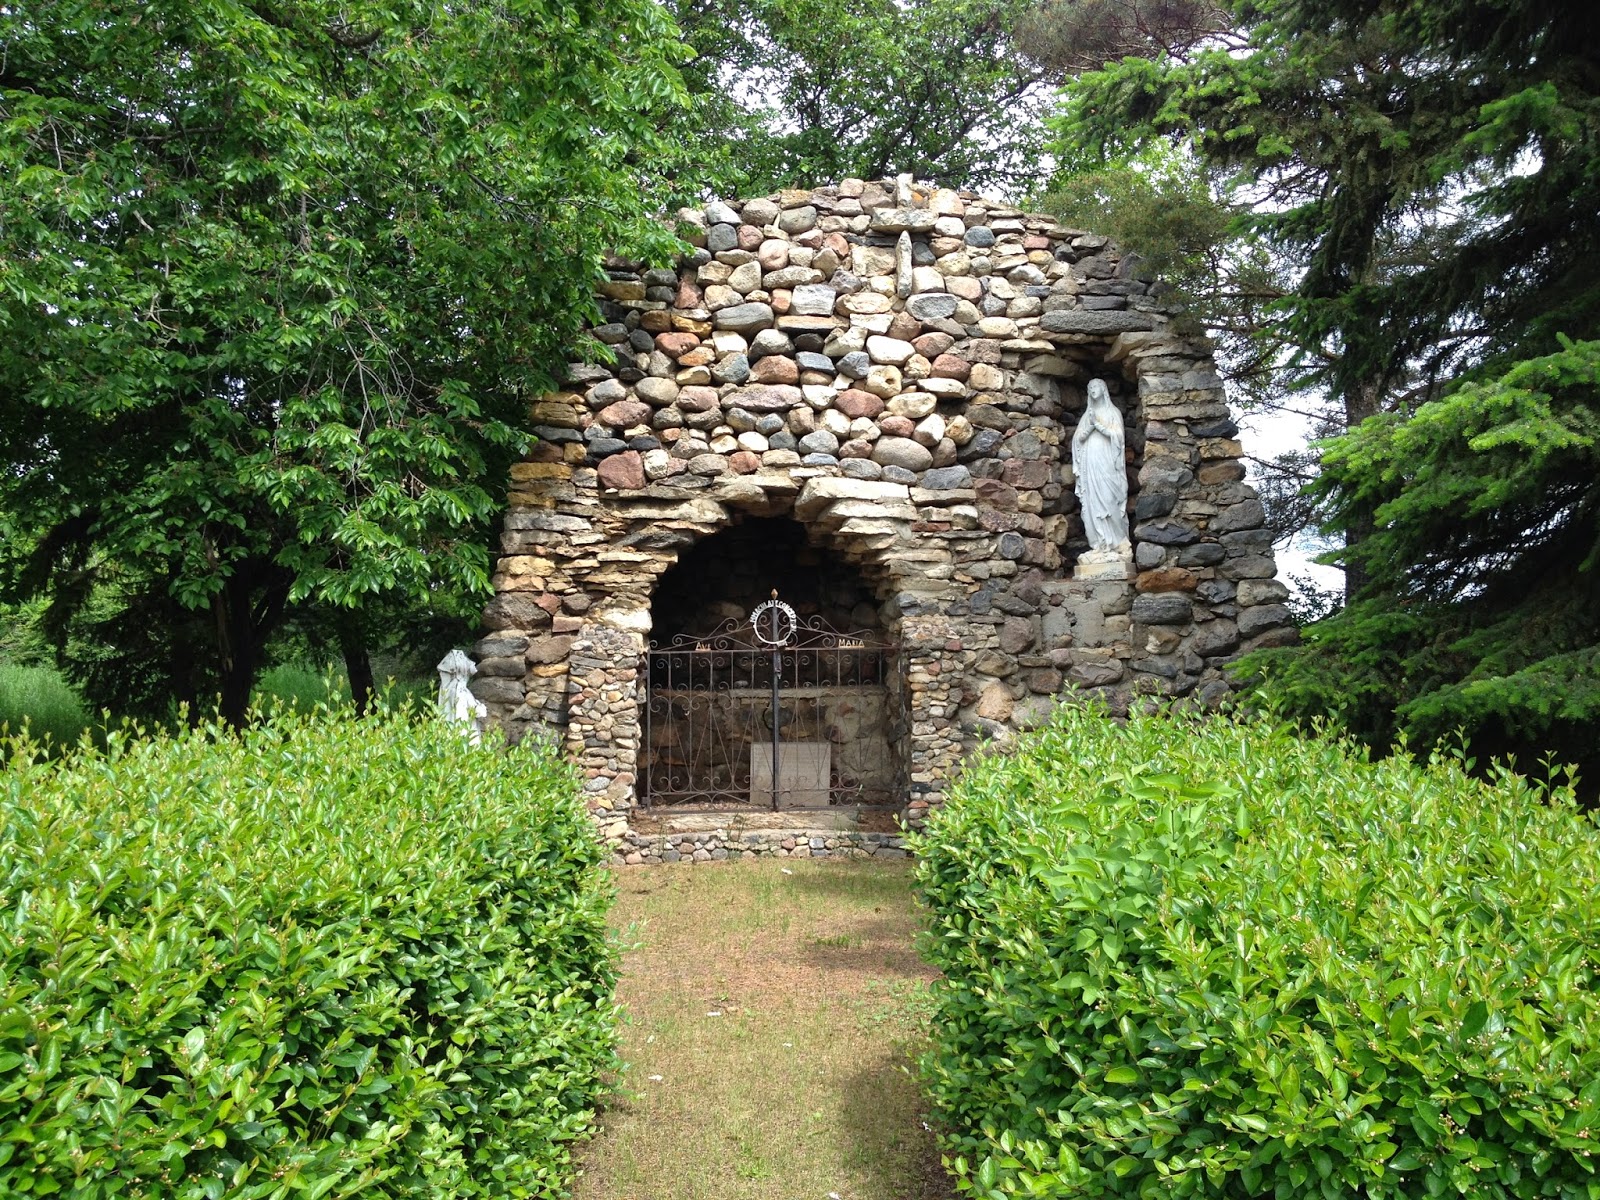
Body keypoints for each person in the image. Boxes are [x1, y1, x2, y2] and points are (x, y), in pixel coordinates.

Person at [1072, 379, 1130, 553]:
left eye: (1095, 386)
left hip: (1107, 462)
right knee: (1092, 502)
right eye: (1089, 388)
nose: (1091, 390)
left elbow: (1119, 437)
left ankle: (1118, 543)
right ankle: (1099, 544)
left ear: (1103, 389)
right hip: (1090, 463)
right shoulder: (1086, 416)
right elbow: (1077, 440)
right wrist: (1090, 426)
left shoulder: (1113, 412)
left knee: (1109, 498)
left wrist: (1098, 425)